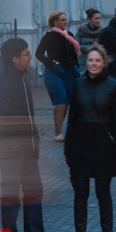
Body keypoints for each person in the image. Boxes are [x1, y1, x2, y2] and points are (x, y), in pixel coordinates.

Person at [0, 38, 61, 232]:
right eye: (26, 53)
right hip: (12, 152)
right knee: (11, 196)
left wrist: (34, 142)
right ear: (15, 59)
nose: (30, 56)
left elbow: (29, 117)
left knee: (34, 192)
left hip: (28, 150)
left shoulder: (22, 78)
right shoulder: (5, 83)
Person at [64, 44, 116, 232]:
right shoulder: (78, 84)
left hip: (104, 148)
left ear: (104, 62)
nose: (93, 64)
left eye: (97, 61)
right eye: (90, 60)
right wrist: (67, 151)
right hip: (80, 147)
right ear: (86, 62)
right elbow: (71, 120)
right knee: (80, 194)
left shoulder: (114, 86)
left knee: (103, 194)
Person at [35, 11, 80, 142]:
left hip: (70, 72)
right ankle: (58, 133)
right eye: (63, 20)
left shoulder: (69, 35)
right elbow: (39, 54)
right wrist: (53, 65)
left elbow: (73, 55)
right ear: (55, 22)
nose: (66, 22)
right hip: (54, 72)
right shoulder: (49, 36)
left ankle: (69, 132)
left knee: (69, 102)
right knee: (60, 101)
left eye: (66, 20)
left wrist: (76, 68)